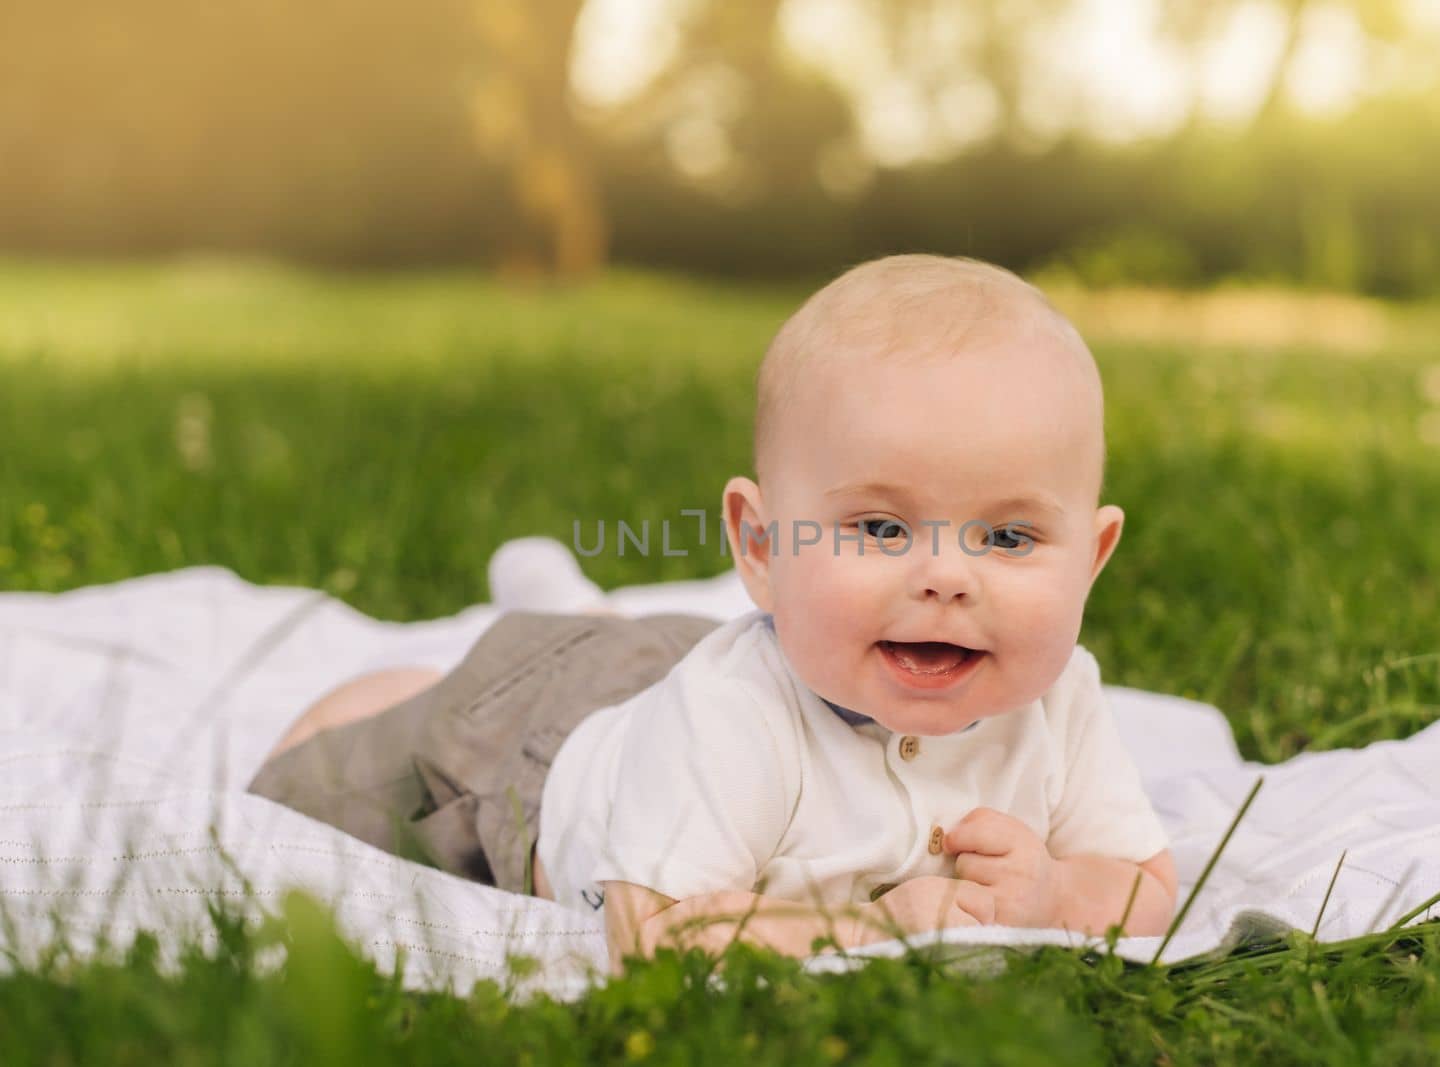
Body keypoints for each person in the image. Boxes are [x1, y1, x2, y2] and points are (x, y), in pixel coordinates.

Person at [247, 254, 1178, 971]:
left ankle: (574, 604)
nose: (947, 579)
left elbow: (1147, 888)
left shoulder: (1061, 699)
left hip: (669, 677)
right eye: (882, 527)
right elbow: (655, 935)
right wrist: (866, 927)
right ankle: (433, 671)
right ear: (763, 549)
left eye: (1009, 539)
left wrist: (1057, 891)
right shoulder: (732, 716)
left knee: (633, 656)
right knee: (314, 791)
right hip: (527, 746)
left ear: (1092, 559)